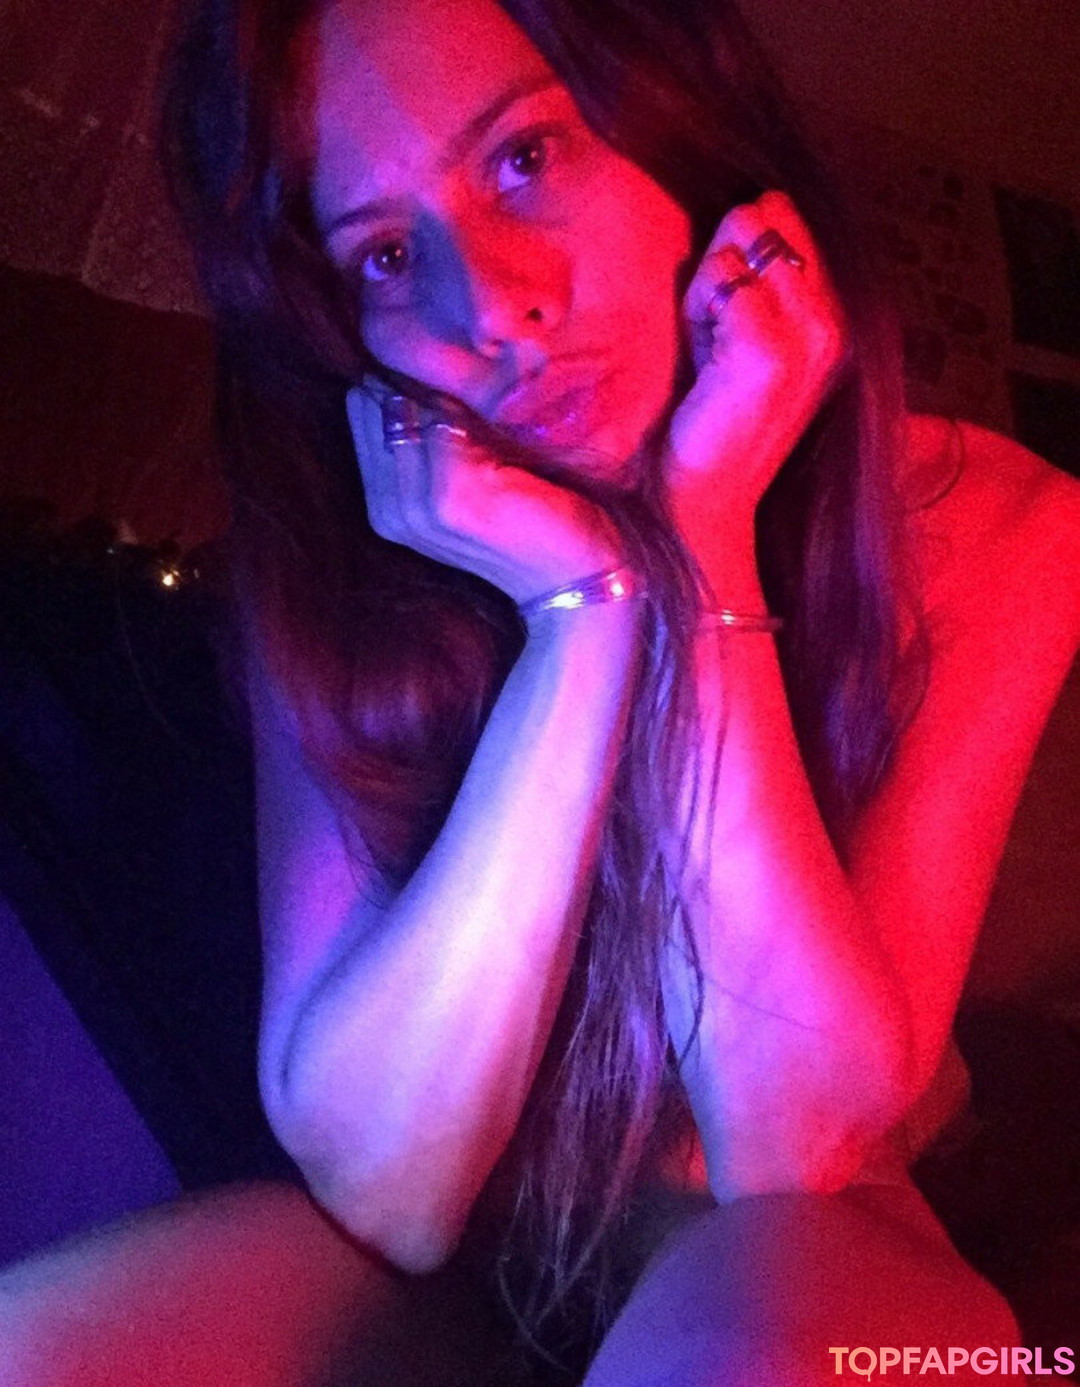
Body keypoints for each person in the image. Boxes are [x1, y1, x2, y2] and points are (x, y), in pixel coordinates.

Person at [3, 0, 1077, 1382]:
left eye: (524, 159)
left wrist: (701, 529)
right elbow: (389, 1189)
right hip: (452, 1265)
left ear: (681, 124)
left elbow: (795, 1144)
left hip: (817, 1253)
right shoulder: (346, 561)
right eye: (388, 254)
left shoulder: (995, 525)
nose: (491, 308)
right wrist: (585, 612)